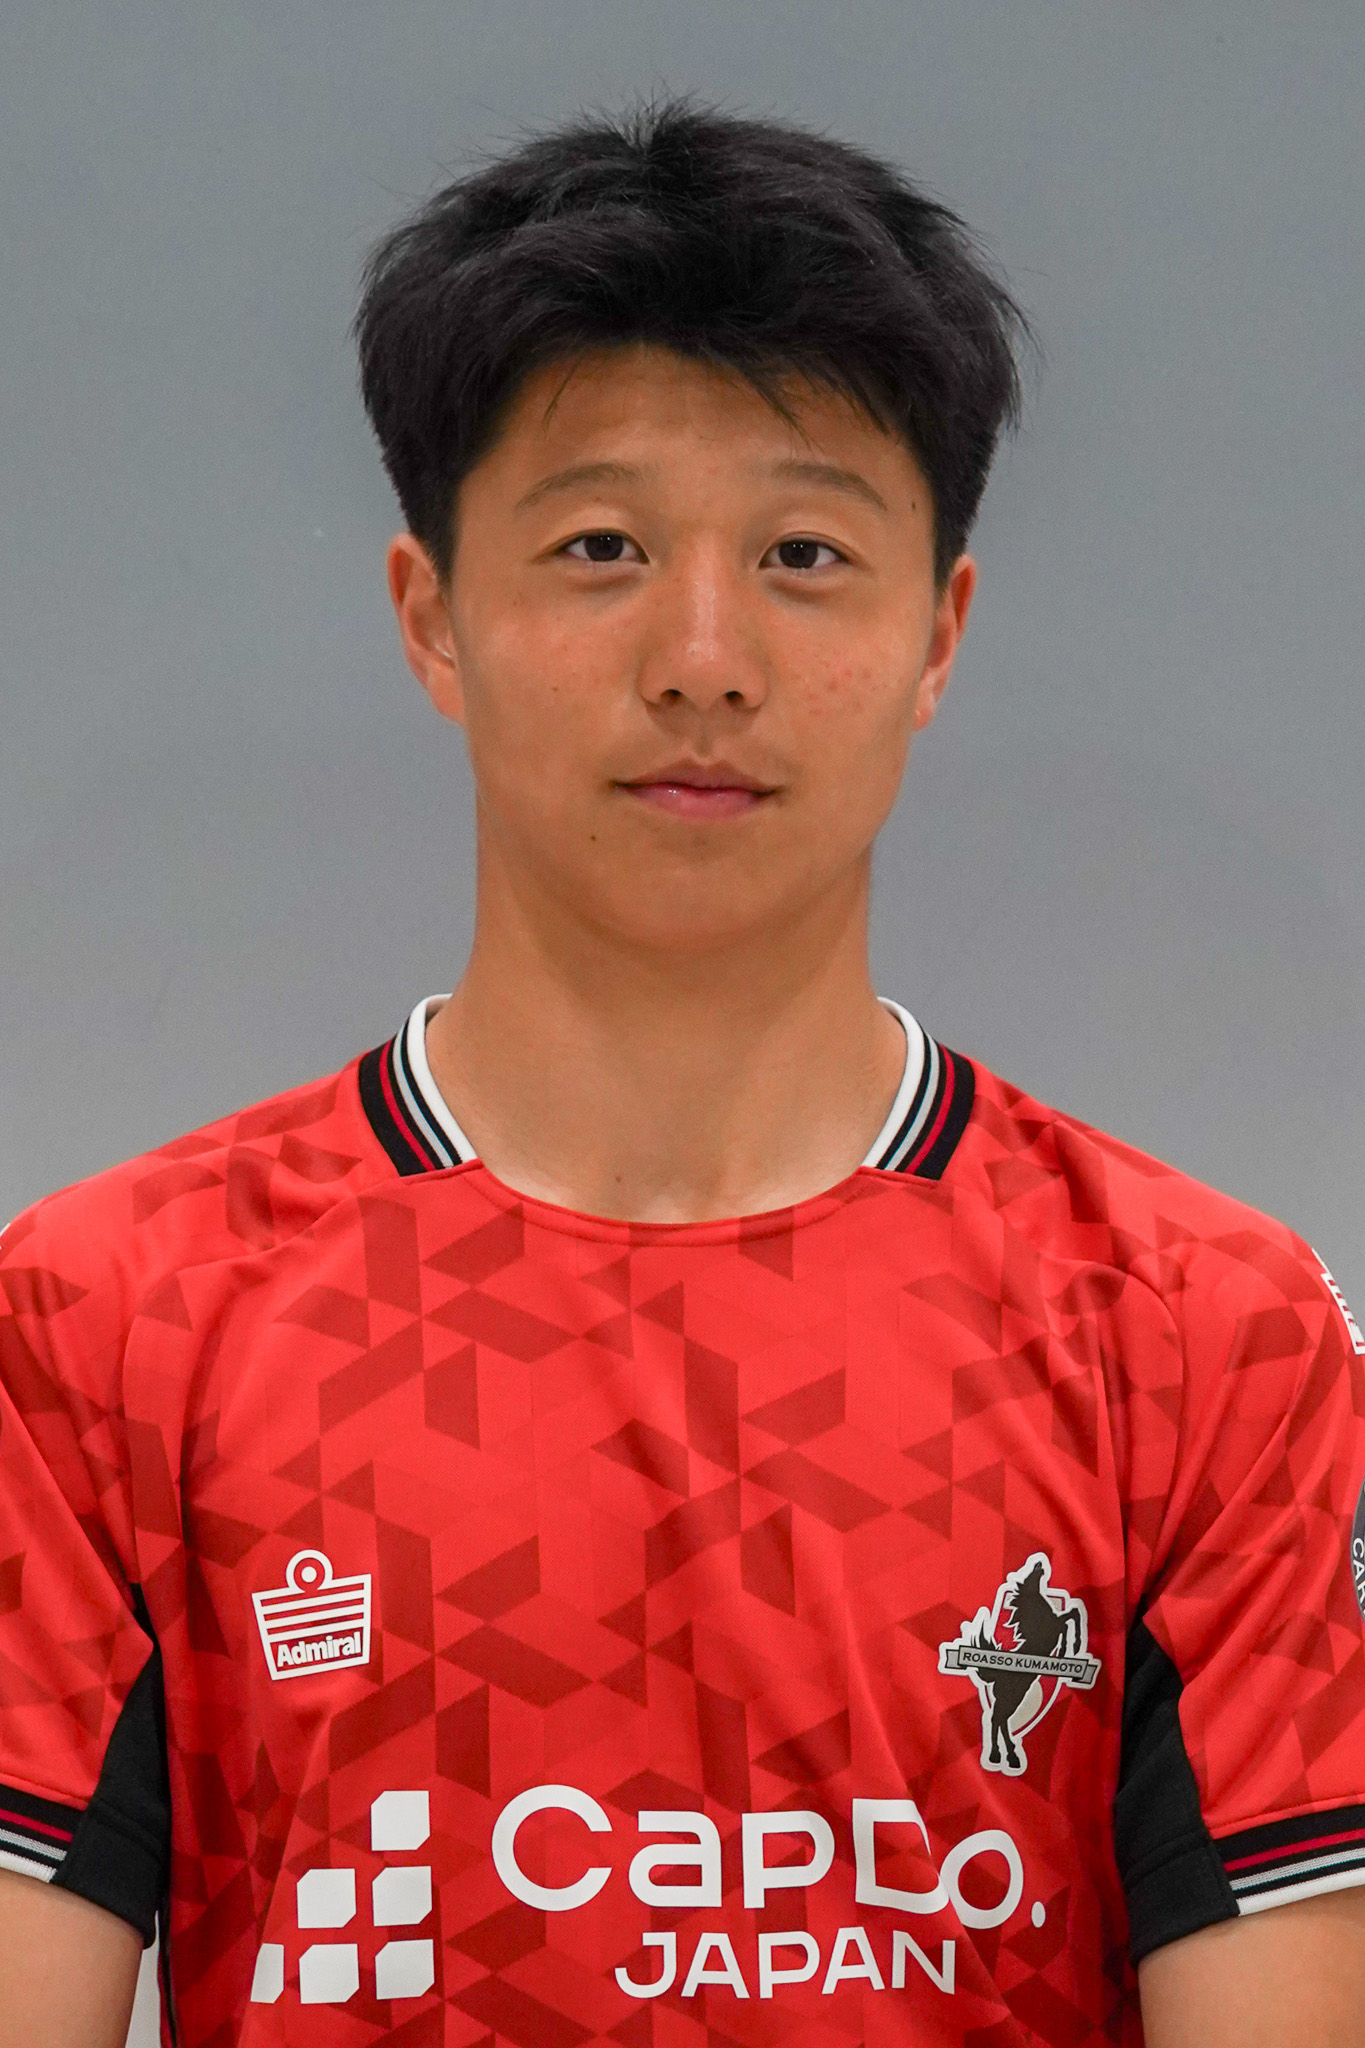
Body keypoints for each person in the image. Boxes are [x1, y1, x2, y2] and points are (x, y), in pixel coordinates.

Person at [0, 99, 1362, 2048]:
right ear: (432, 621)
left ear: (938, 633)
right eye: (601, 547)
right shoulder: (103, 1320)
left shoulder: (1203, 1335)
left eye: (804, 552)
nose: (703, 656)